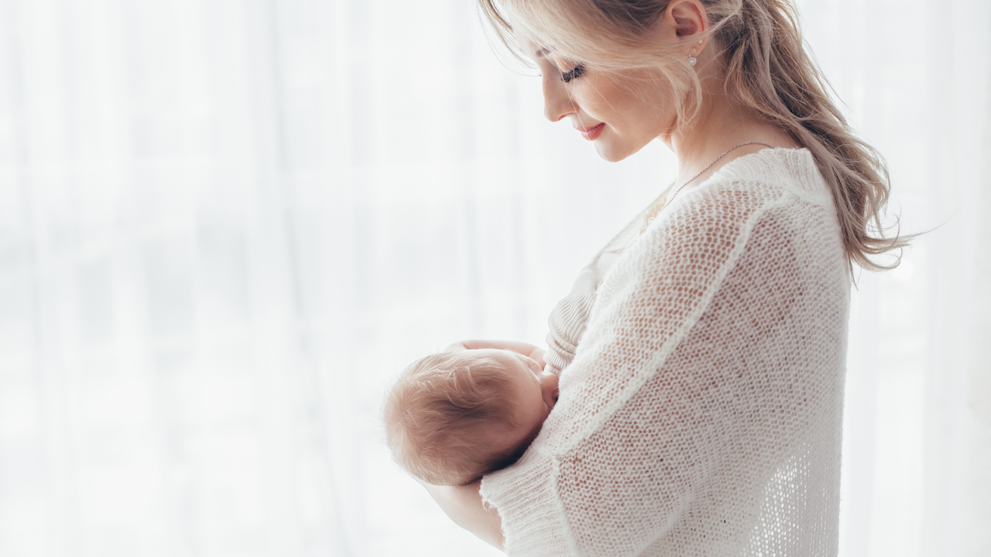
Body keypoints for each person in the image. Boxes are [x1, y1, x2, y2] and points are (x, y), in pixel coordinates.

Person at [417, 0, 908, 555]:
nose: (551, 107)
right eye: (542, 69)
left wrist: (426, 459)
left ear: (684, 26)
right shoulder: (735, 183)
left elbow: (571, 526)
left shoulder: (732, 220)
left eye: (570, 68)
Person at [383, 343, 559, 486]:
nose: (553, 379)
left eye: (529, 366)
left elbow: (534, 353)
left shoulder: (465, 353)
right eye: (544, 403)